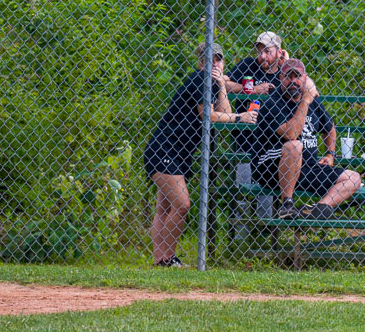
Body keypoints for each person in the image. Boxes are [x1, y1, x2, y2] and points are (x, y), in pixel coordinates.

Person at [143, 42, 257, 267]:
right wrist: (240, 118)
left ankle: (161, 261)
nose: (214, 63)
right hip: (164, 148)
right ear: (201, 62)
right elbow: (209, 116)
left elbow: (224, 112)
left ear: (223, 62)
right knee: (182, 204)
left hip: (180, 152)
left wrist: (222, 84)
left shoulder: (213, 84)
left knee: (165, 207)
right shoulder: (199, 79)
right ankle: (167, 258)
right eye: (209, 59)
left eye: (218, 59)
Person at [251, 58, 362, 220]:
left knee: (353, 178)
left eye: (298, 76)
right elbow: (291, 134)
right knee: (294, 146)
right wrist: (306, 101)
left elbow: (329, 128)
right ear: (281, 78)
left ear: (305, 78)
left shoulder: (313, 102)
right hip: (271, 169)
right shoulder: (273, 104)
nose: (293, 81)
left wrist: (330, 153)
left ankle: (319, 208)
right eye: (289, 77)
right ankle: (287, 205)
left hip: (306, 167)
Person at [223, 31, 289, 185]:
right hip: (246, 137)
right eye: (259, 51)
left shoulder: (285, 73)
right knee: (242, 189)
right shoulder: (248, 65)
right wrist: (253, 90)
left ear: (279, 52)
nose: (263, 56)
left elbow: (304, 88)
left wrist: (288, 62)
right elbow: (223, 82)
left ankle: (269, 209)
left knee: (266, 191)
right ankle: (240, 208)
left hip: (273, 140)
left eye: (267, 51)